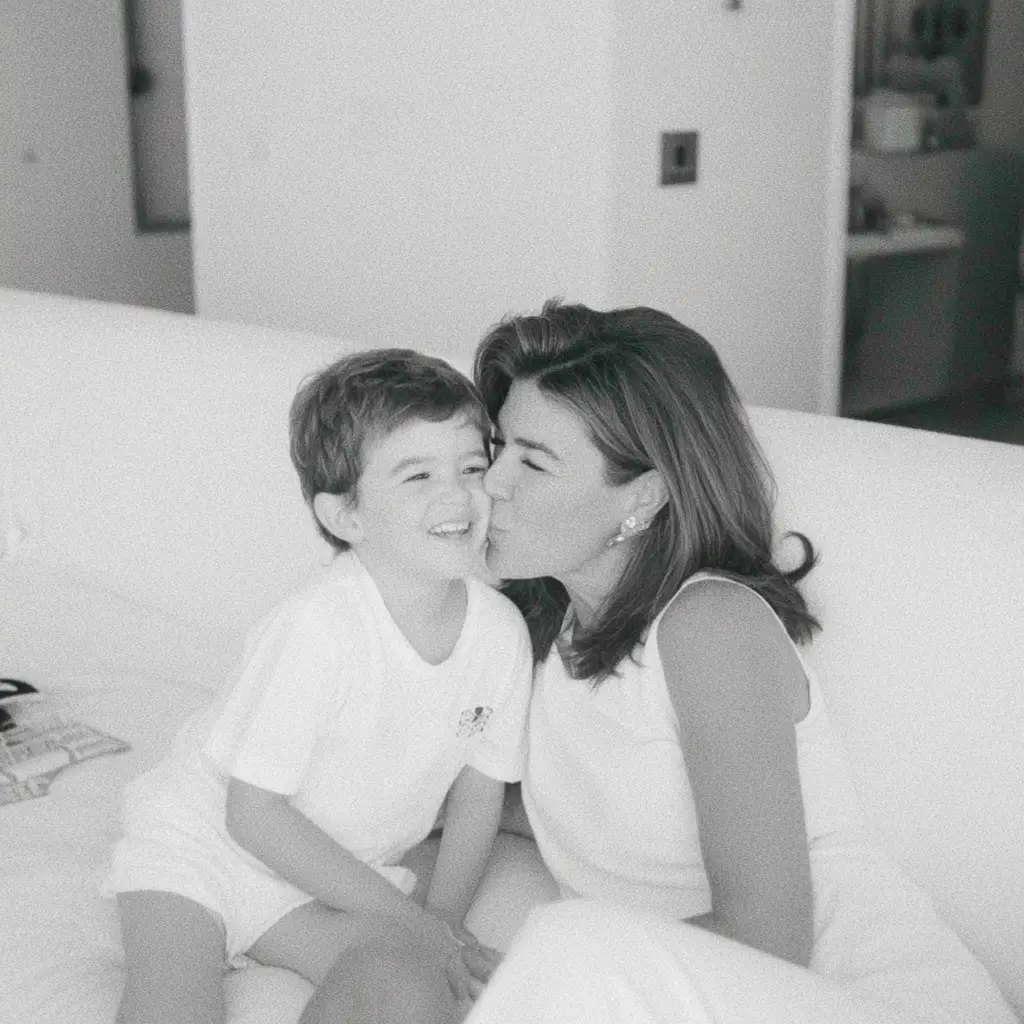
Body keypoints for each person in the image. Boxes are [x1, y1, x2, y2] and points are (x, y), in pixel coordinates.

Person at [461, 300, 1014, 1024]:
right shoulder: (541, 634)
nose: (490, 482)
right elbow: (572, 817)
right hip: (700, 997)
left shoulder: (706, 626)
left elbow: (767, 935)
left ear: (643, 497)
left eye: (533, 461)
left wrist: (549, 986)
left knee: (564, 942)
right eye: (499, 445)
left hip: (860, 996)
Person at [102, 349, 532, 1024]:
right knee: (171, 1006)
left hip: (336, 876)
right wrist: (410, 921)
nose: (457, 495)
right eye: (417, 476)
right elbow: (253, 813)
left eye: (472, 467)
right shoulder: (319, 627)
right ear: (346, 518)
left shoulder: (500, 635)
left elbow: (479, 791)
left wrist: (441, 922)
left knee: (412, 984)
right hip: (205, 845)